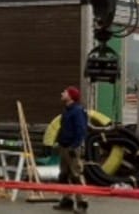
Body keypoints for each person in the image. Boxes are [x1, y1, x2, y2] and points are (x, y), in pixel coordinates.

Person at [54, 85, 89, 213]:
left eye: (65, 92)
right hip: (64, 147)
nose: (62, 93)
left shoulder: (77, 111)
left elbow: (81, 130)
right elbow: (63, 128)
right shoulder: (67, 110)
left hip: (72, 148)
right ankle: (67, 200)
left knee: (76, 175)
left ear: (71, 96)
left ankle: (82, 203)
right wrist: (58, 141)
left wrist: (75, 146)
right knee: (64, 175)